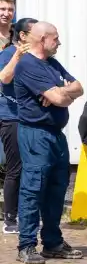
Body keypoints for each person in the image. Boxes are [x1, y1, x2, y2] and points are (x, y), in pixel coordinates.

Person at [13, 21, 84, 264]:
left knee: (56, 188)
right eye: (55, 38)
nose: (59, 43)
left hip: (55, 134)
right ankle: (27, 245)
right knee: (33, 189)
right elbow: (59, 98)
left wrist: (63, 93)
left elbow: (78, 87)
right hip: (35, 134)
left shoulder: (52, 64)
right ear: (43, 40)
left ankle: (52, 242)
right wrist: (60, 95)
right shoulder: (27, 65)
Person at [0, 16, 35, 234]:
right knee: (15, 167)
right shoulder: (6, 54)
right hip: (11, 117)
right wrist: (17, 56)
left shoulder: (38, 57)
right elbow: (4, 78)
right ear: (23, 36)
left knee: (30, 167)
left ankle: (27, 213)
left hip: (31, 118)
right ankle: (10, 218)